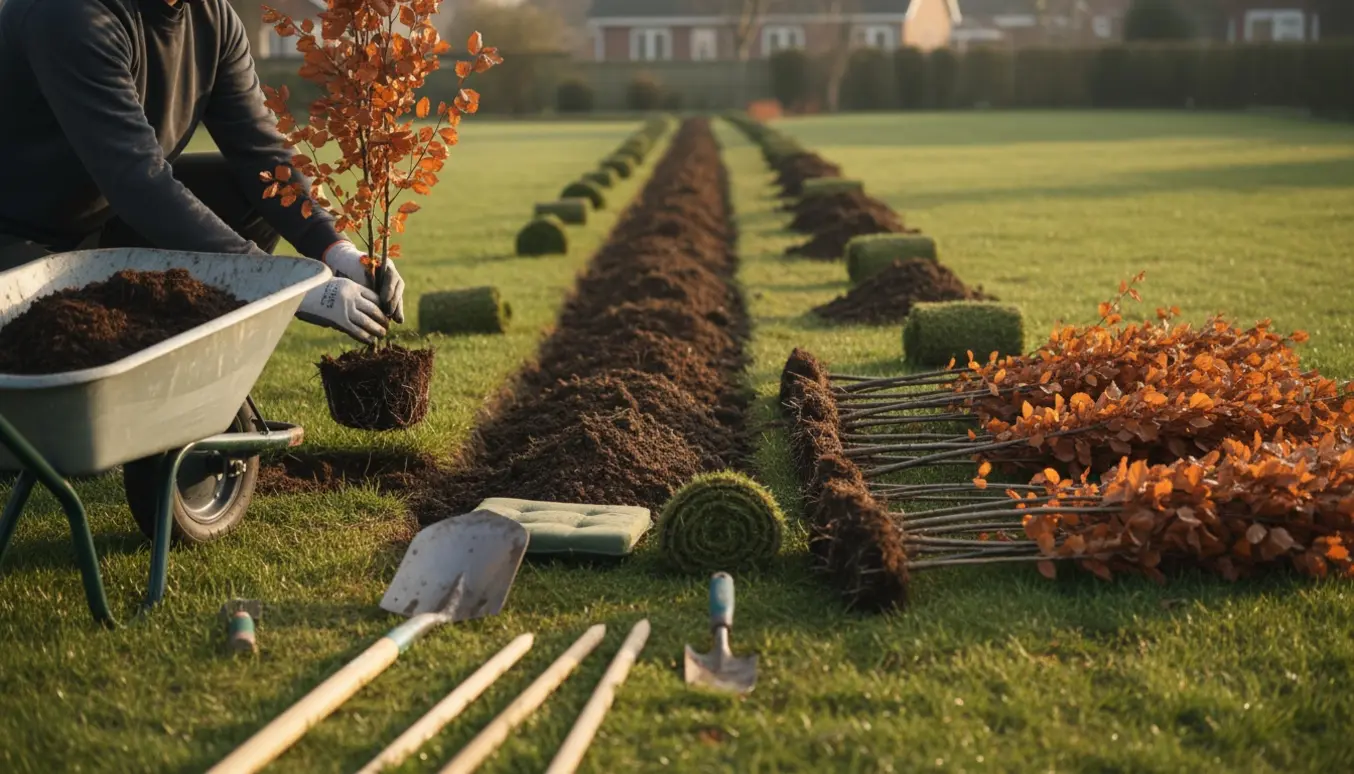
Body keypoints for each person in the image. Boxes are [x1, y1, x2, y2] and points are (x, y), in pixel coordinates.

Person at [0, 0, 404, 345]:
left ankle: (179, 349)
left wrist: (335, 249)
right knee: (52, 336)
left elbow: (262, 152)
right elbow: (136, 181)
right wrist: (278, 281)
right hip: (16, 236)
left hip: (103, 219)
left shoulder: (212, 17)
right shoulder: (69, 14)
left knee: (248, 193)